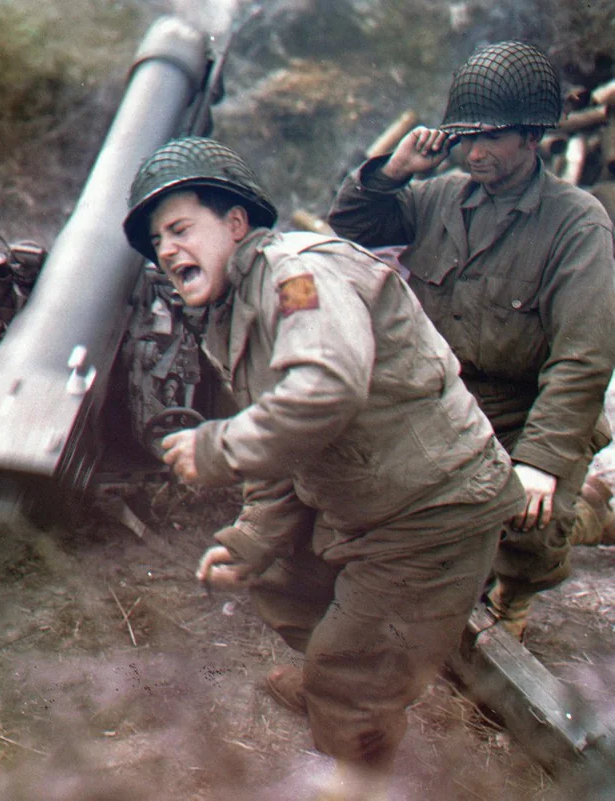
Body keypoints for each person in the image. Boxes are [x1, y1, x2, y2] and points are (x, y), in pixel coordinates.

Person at [123, 136, 524, 801]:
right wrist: (252, 535)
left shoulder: (295, 274)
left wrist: (218, 446)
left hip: (434, 505)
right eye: (159, 240)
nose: (166, 250)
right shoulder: (233, 307)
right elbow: (286, 444)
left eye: (179, 228)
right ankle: (351, 667)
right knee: (275, 573)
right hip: (372, 500)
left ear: (236, 224)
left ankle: (356, 731)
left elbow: (326, 388)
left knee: (348, 671)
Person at [329, 41, 615, 638]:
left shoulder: (578, 224)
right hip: (438, 407)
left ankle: (526, 578)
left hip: (525, 415)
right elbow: (350, 224)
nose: (475, 151)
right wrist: (394, 171)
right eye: (465, 136)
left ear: (532, 137)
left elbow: (582, 361)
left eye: (492, 138)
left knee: (529, 518)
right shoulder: (437, 198)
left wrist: (540, 463)